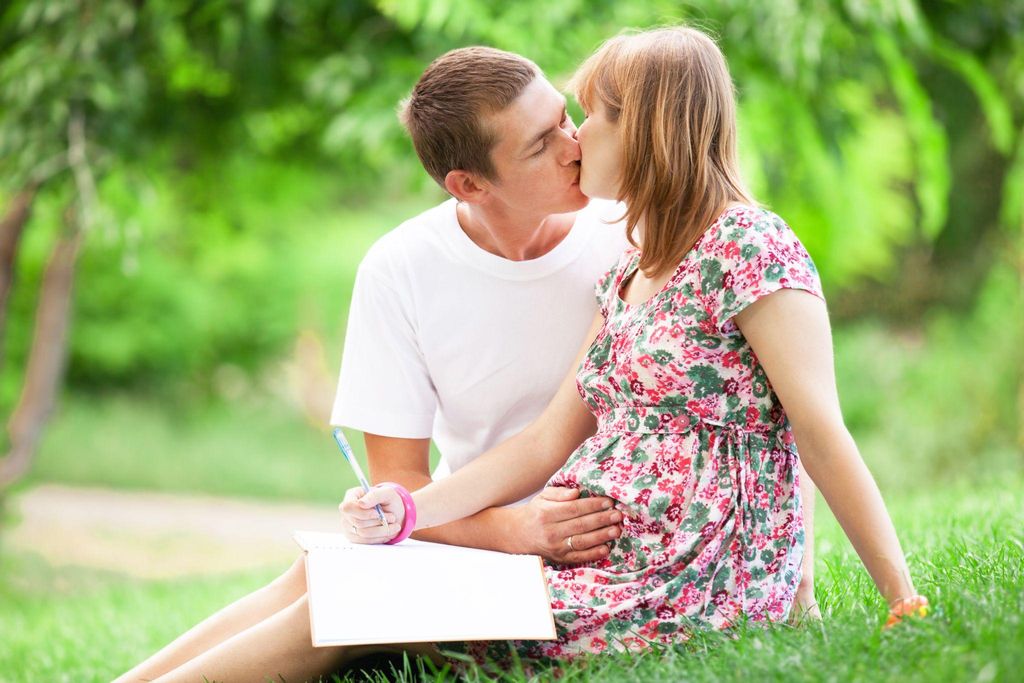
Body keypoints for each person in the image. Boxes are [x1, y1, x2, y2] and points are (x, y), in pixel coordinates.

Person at [112, 35, 830, 683]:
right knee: (314, 573)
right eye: (540, 145)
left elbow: (758, 383)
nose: (574, 144)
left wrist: (789, 566)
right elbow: (402, 484)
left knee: (337, 600)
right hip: (474, 522)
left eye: (565, 119)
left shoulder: (634, 233)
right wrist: (512, 530)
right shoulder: (403, 267)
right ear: (470, 184)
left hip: (609, 539)